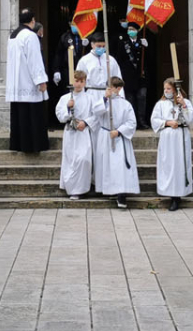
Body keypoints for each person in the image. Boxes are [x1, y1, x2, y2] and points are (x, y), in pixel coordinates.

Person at [92, 76, 140, 209]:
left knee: (119, 167)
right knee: (107, 165)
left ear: (119, 89)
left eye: (112, 87)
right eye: (108, 87)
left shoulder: (125, 104)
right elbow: (96, 111)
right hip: (105, 136)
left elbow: (131, 122)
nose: (109, 89)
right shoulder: (104, 101)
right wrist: (105, 99)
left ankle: (121, 194)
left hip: (119, 138)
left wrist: (119, 131)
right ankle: (109, 190)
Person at [6, 9, 50, 153]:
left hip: (16, 83)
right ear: (32, 20)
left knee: (20, 116)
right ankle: (34, 145)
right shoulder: (30, 36)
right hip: (28, 82)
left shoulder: (13, 35)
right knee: (32, 115)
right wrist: (41, 80)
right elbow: (34, 60)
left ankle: (19, 144)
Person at [150, 77, 193, 210]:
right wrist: (168, 122)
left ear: (176, 89)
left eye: (169, 88)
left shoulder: (185, 102)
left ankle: (178, 195)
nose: (166, 91)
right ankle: (170, 194)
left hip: (181, 136)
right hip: (168, 137)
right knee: (168, 164)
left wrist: (184, 105)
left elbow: (191, 119)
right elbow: (154, 120)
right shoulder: (161, 104)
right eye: (165, 89)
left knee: (180, 164)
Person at [55, 69, 95, 198]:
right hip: (70, 133)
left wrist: (86, 122)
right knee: (70, 160)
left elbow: (96, 115)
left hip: (83, 133)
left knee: (83, 159)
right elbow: (59, 115)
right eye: (76, 81)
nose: (78, 84)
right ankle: (72, 189)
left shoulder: (90, 98)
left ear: (85, 82)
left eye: (81, 81)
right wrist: (68, 107)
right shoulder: (65, 98)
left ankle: (81, 189)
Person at [75, 32, 122, 114]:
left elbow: (118, 79)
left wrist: (119, 95)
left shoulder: (111, 60)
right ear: (92, 45)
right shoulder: (84, 60)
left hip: (108, 92)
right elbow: (79, 79)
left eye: (103, 46)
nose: (101, 48)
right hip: (91, 94)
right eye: (99, 46)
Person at [51, 18, 89, 109]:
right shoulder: (65, 37)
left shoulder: (86, 36)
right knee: (68, 92)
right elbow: (58, 54)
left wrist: (88, 45)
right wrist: (56, 70)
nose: (75, 26)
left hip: (83, 71)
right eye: (73, 23)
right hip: (68, 70)